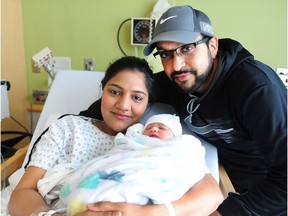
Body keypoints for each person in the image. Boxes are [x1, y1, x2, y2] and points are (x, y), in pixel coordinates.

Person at [8, 56, 223, 216]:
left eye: (137, 97)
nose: (123, 105)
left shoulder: (157, 142)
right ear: (102, 91)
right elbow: (22, 192)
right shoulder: (67, 127)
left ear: (148, 104)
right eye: (114, 92)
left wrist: (149, 213)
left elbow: (212, 194)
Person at [142, 5, 287, 216]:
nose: (177, 65)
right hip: (222, 177)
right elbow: (129, 93)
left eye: (187, 48)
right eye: (165, 54)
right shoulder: (176, 80)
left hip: (268, 194)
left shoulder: (256, 89)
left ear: (212, 45)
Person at [54, 114, 207, 215]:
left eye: (162, 128)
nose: (154, 129)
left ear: (174, 137)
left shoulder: (176, 149)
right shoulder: (131, 142)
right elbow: (114, 157)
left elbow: (191, 167)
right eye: (150, 127)